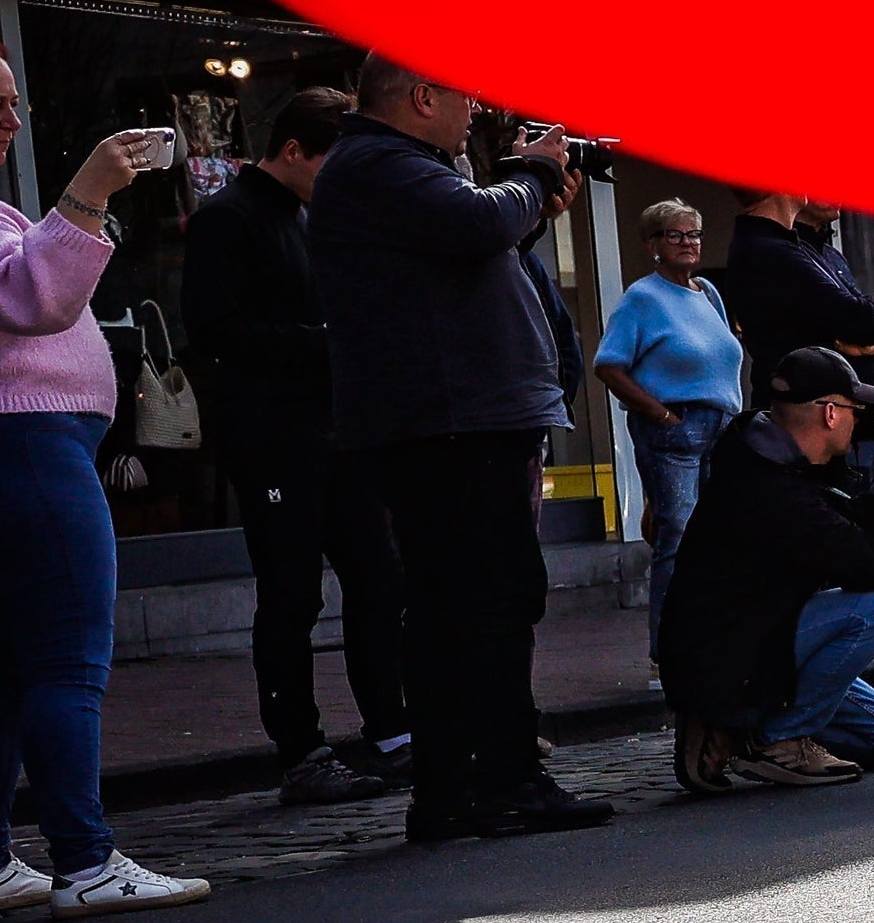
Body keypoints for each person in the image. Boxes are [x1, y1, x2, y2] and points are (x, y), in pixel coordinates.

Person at [0, 28, 210, 918]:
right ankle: (85, 861)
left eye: (15, 101)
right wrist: (88, 191)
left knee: (4, 669)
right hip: (22, 445)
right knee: (63, 662)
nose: (12, 119)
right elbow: (35, 298)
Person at [309, 50, 612, 845]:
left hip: (459, 419)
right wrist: (533, 175)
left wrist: (530, 199)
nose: (475, 110)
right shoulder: (382, 164)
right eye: (465, 96)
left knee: (465, 607)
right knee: (483, 605)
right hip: (452, 425)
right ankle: (501, 779)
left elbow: (475, 246)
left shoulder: (394, 169)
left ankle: (458, 786)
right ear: (420, 96)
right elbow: (479, 222)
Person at [182, 83, 406, 805]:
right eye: (333, 168)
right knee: (292, 593)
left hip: (337, 427)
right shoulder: (228, 219)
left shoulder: (312, 217)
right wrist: (328, 345)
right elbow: (216, 331)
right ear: (292, 151)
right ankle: (301, 751)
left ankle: (393, 730)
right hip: (273, 433)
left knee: (378, 576)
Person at [713, 191, 874, 731]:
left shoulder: (820, 251)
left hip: (854, 426)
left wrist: (865, 332)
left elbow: (868, 330)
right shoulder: (772, 250)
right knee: (858, 557)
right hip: (817, 435)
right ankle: (786, 713)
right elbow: (861, 320)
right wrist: (864, 328)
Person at [660, 347, 874, 788]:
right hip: (729, 657)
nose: (860, 421)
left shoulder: (771, 460)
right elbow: (873, 569)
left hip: (762, 639)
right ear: (831, 413)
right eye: (856, 409)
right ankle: (778, 739)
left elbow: (845, 529)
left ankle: (733, 731)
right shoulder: (772, 490)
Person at [590, 199, 748, 658]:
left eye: (693, 234)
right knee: (676, 541)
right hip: (674, 429)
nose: (687, 243)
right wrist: (661, 414)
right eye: (675, 235)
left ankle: (712, 641)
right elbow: (608, 366)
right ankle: (670, 653)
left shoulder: (708, 294)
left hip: (720, 428)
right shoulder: (642, 297)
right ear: (653, 244)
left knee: (717, 539)